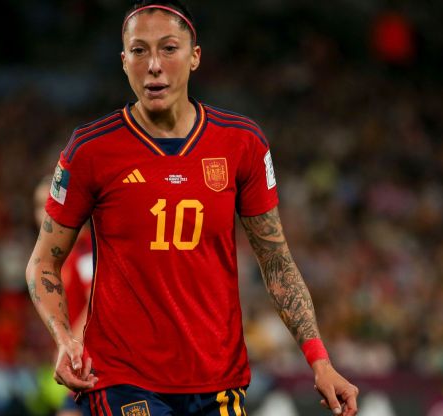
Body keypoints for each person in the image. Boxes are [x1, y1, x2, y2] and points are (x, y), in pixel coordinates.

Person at [25, 1, 359, 415]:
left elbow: (276, 261)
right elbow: (43, 262)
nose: (154, 66)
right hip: (123, 379)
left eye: (169, 48)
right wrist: (64, 340)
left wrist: (319, 360)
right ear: (124, 61)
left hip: (218, 379)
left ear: (195, 56)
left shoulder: (242, 143)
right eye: (139, 51)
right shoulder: (90, 150)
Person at [33, 176, 93, 416]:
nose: (43, 212)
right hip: (83, 366)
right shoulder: (61, 257)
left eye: (48, 203)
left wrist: (68, 343)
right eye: (38, 206)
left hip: (95, 366)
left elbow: (95, 303)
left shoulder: (87, 249)